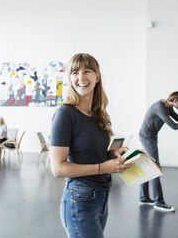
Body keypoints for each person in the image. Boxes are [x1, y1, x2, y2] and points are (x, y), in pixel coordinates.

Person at [50, 53, 132, 238]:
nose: (81, 78)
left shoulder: (97, 114)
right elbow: (57, 168)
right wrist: (104, 167)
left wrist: (113, 154)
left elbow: (90, 150)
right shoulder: (65, 114)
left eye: (87, 71)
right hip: (80, 199)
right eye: (75, 72)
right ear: (70, 79)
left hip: (101, 197)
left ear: (97, 76)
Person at [138, 91, 178, 212]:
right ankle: (159, 202)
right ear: (175, 100)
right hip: (147, 137)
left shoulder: (168, 106)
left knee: (148, 166)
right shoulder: (160, 108)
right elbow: (174, 126)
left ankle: (144, 197)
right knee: (155, 168)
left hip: (148, 136)